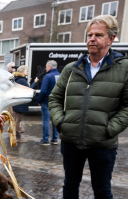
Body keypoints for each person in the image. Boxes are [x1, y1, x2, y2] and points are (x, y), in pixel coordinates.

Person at [49, 15, 128, 199]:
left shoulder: (124, 69)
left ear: (111, 38)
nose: (92, 39)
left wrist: (109, 129)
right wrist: (62, 123)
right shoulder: (71, 68)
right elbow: (54, 98)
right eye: (89, 34)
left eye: (98, 35)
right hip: (71, 142)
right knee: (69, 186)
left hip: (102, 144)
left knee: (102, 190)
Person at [12, 65, 39, 142]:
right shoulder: (21, 80)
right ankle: (17, 136)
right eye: (26, 70)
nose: (27, 72)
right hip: (21, 103)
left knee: (16, 119)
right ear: (22, 72)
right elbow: (29, 89)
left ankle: (15, 135)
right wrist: (35, 82)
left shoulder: (18, 79)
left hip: (17, 101)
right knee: (18, 120)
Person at [37, 60, 60, 145]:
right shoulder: (60, 76)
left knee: (46, 121)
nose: (45, 68)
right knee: (55, 121)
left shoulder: (48, 76)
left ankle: (45, 139)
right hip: (57, 102)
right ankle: (55, 139)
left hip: (47, 101)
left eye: (46, 67)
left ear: (50, 67)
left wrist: (39, 100)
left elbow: (43, 91)